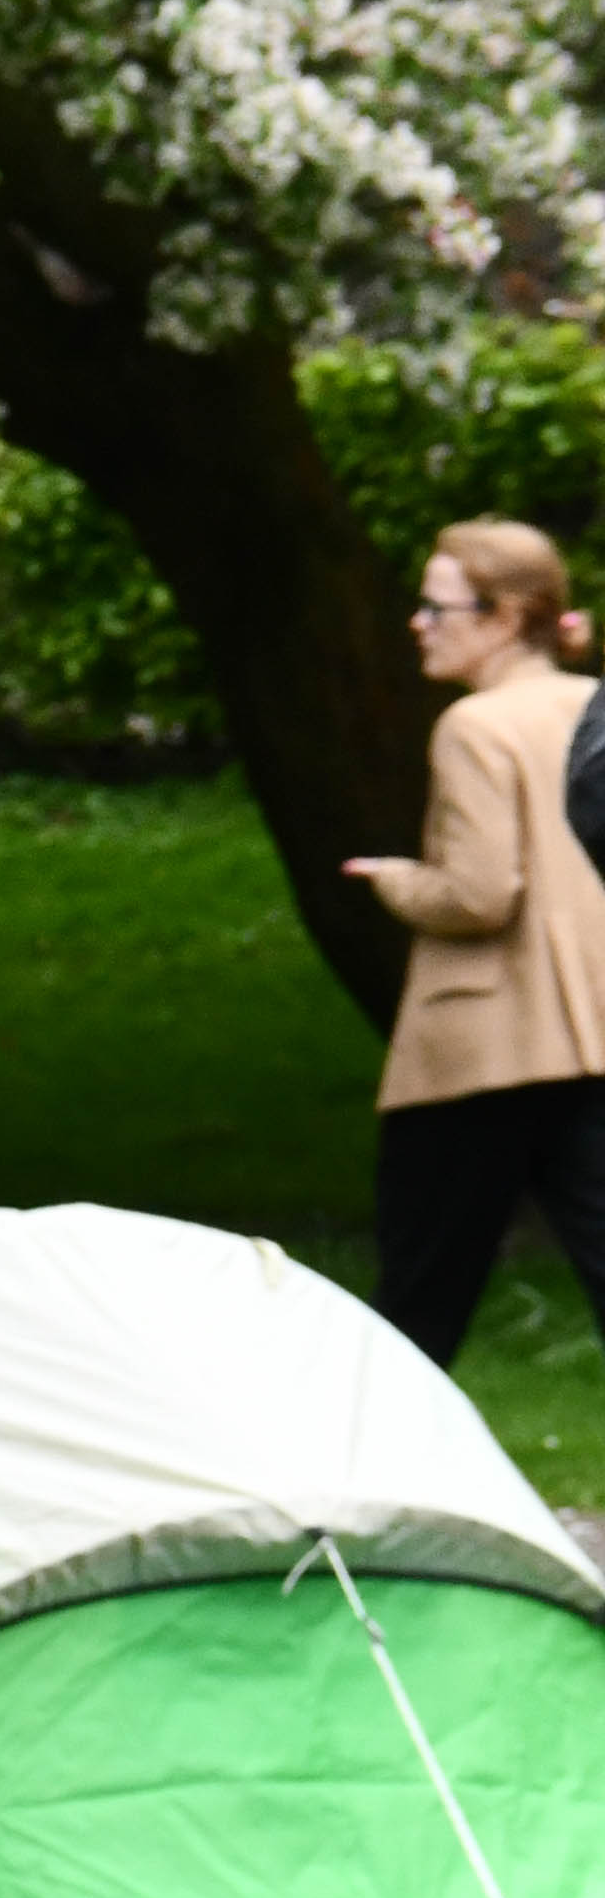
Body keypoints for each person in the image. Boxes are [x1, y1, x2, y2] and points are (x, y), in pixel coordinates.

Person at [347, 518, 605, 1360]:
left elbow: (483, 893)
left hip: (482, 1050)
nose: (419, 623)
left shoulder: (474, 726)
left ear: (501, 618)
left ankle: (371, 1477)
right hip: (594, 1035)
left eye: (436, 606)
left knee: (419, 1300)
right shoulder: (593, 709)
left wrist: (397, 881)